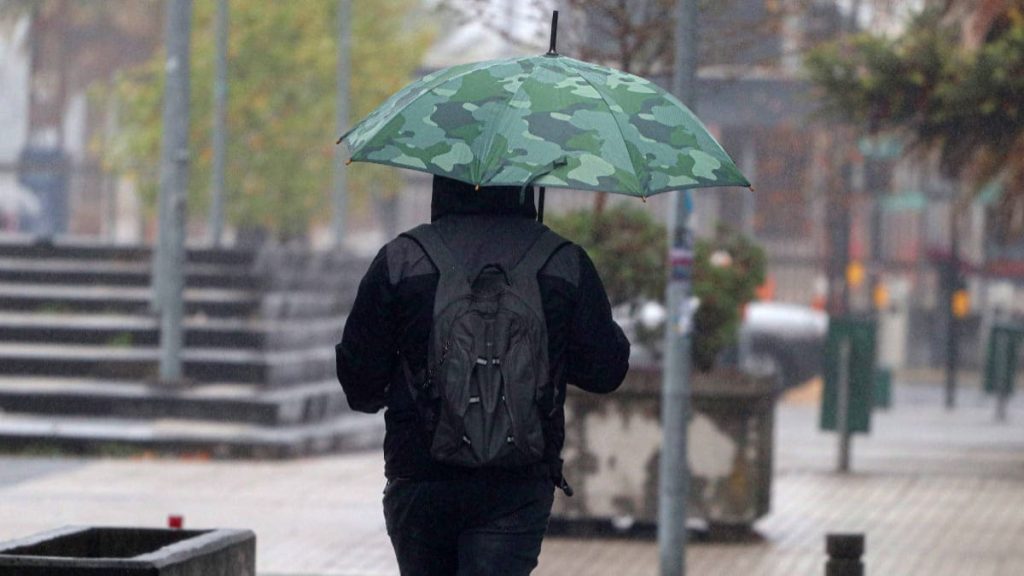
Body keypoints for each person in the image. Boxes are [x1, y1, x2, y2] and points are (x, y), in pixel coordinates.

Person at [336, 175, 630, 576]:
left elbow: (361, 384)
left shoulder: (402, 259)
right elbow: (606, 371)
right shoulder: (563, 261)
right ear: (525, 183)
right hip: (517, 485)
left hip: (421, 478)